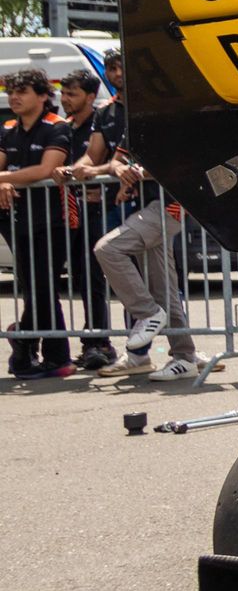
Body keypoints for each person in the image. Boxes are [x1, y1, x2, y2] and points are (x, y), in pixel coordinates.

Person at [92, 132, 205, 383]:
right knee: (165, 289)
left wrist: (138, 172)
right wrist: (121, 171)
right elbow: (116, 161)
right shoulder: (136, 123)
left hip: (170, 205)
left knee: (107, 249)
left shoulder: (177, 124)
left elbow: (188, 164)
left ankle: (147, 313)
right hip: (147, 206)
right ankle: (185, 357)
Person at [2, 70, 73, 379]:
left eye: (22, 91)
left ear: (43, 95)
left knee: (43, 287)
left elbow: (46, 169)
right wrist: (4, 181)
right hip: (17, 220)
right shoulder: (7, 128)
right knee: (33, 287)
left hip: (51, 219)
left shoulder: (57, 126)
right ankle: (30, 350)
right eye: (11, 92)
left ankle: (40, 349)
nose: (14, 97)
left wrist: (3, 179)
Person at [52, 68, 116, 373]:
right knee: (77, 277)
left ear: (90, 97)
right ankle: (86, 343)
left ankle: (99, 344)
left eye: (72, 94)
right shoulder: (62, 127)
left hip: (96, 211)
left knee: (92, 279)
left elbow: (107, 162)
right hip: (67, 213)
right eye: (63, 93)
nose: (65, 99)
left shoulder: (99, 123)